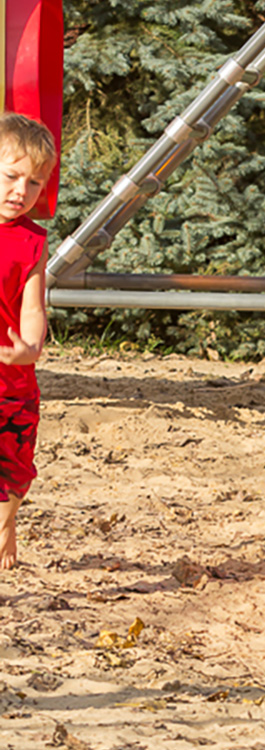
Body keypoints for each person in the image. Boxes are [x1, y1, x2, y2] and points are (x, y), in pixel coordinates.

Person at [0, 113, 57, 570]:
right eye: (11, 177)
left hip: (12, 380)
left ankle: (6, 523)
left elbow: (33, 308)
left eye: (34, 183)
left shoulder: (33, 242)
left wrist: (30, 349)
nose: (21, 192)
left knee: (14, 473)